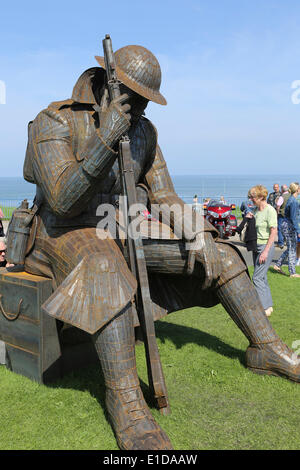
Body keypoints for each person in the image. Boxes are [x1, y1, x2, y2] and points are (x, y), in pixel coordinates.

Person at [20, 44, 300, 450]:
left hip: (116, 228)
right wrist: (105, 137)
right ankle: (127, 403)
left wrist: (198, 231)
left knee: (220, 255)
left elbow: (164, 196)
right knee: (104, 265)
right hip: (58, 232)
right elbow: (63, 199)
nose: (140, 109)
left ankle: (267, 350)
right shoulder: (53, 120)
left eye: (145, 102)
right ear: (109, 82)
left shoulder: (144, 131)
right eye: (132, 98)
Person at [247, 185, 277, 317]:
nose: (250, 199)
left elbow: (273, 232)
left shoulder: (270, 211)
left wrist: (265, 251)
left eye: (252, 197)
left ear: (261, 197)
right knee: (262, 277)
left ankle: (263, 308)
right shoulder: (255, 210)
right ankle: (268, 306)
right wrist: (248, 216)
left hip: (265, 247)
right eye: (250, 197)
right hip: (255, 245)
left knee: (257, 277)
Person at [273, 183, 300, 278]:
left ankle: (278, 264)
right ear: (297, 190)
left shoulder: (292, 200)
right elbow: (294, 218)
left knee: (290, 248)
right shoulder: (293, 201)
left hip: (286, 224)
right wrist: (298, 231)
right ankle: (292, 272)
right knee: (292, 248)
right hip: (289, 226)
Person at [276, 184, 289, 248]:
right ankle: (287, 241)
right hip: (289, 214)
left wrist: (277, 212)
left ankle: (281, 243)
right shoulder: (290, 196)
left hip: (282, 214)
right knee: (287, 228)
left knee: (280, 228)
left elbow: (278, 205)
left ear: (281, 190)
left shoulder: (282, 197)